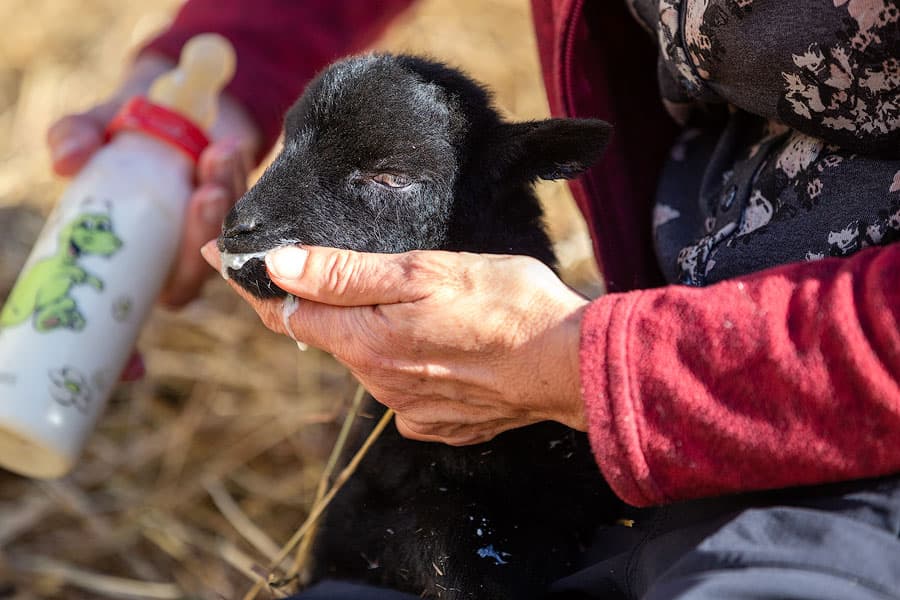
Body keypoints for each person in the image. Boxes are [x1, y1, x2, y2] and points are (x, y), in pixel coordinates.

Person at [47, 1, 900, 598]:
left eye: (383, 178)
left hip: (845, 444)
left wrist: (608, 366)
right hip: (670, 331)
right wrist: (215, 78)